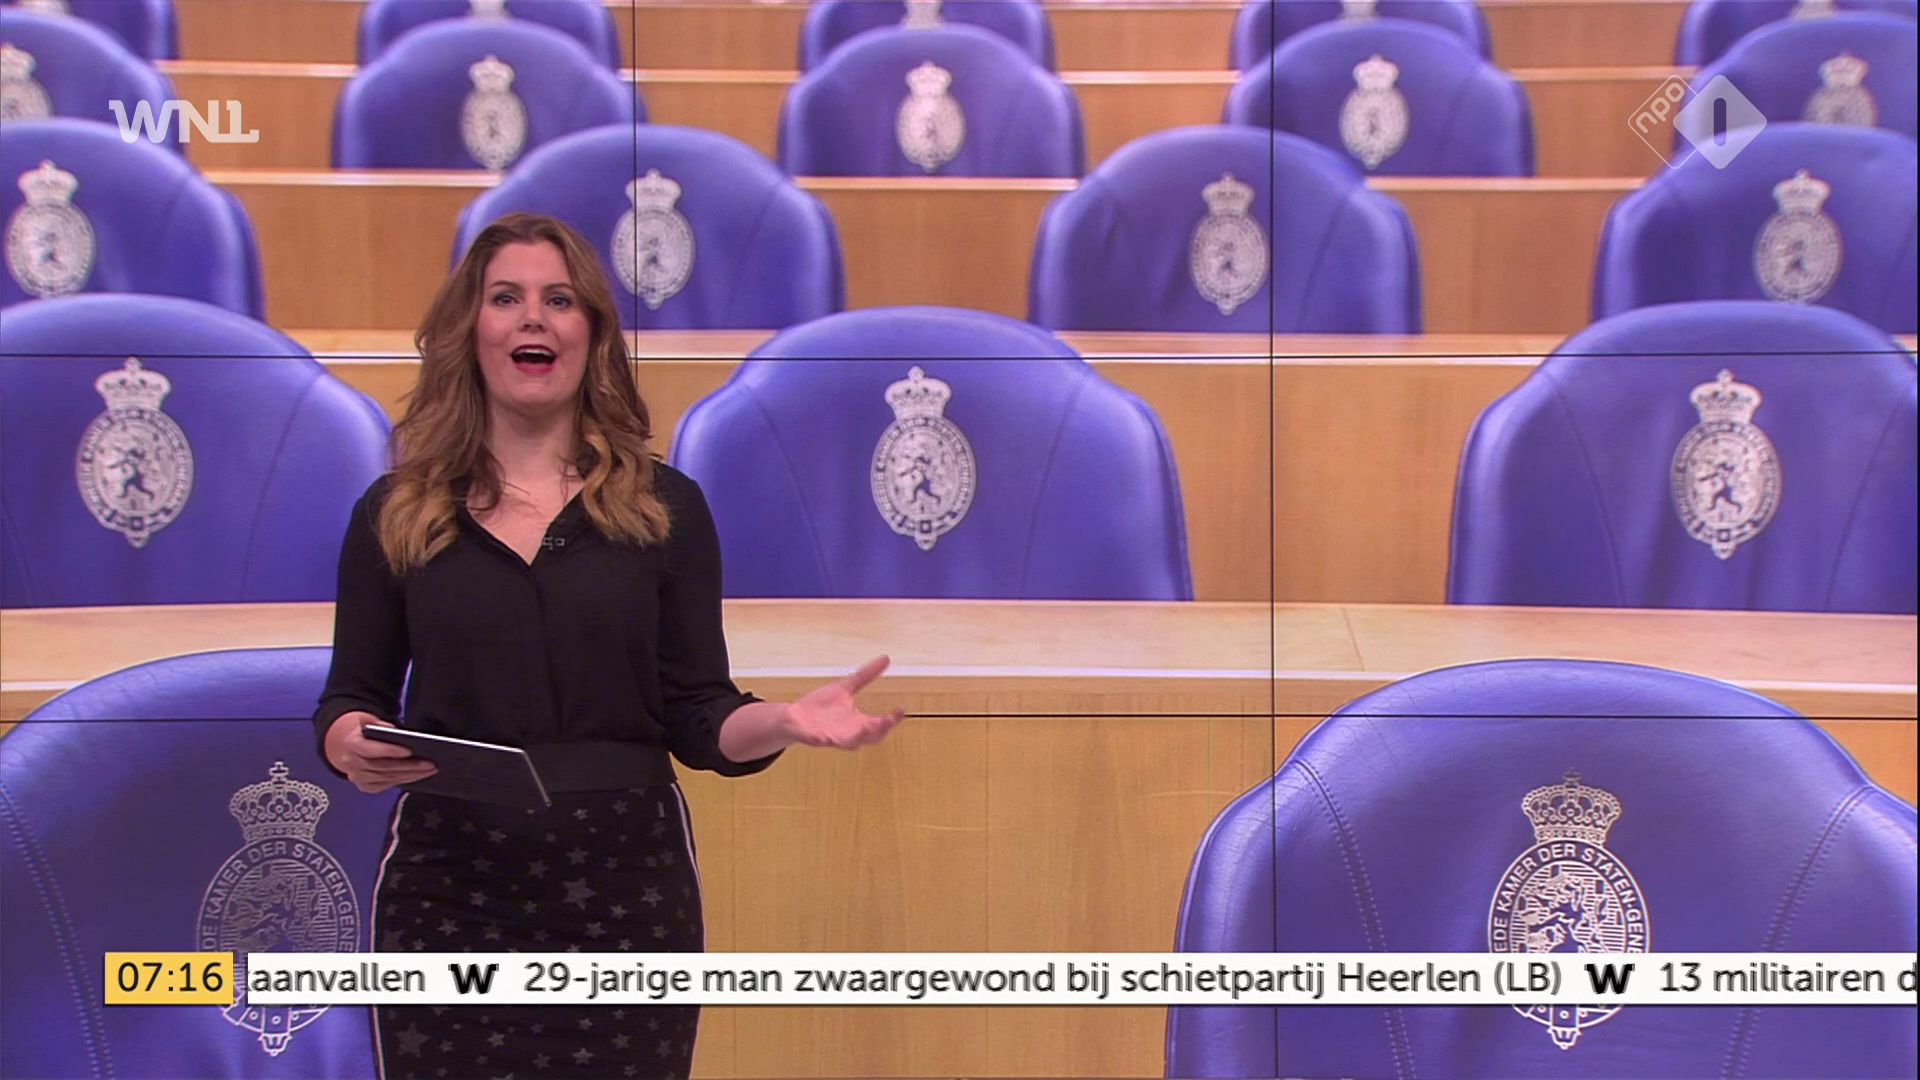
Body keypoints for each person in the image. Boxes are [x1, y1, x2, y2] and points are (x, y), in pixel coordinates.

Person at [313, 212, 905, 1080]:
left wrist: (784, 721)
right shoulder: (396, 512)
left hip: (626, 887)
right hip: (447, 884)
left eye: (559, 300)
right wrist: (347, 744)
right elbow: (350, 696)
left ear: (592, 335)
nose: (533, 318)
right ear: (468, 331)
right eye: (505, 298)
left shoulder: (665, 509)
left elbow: (698, 713)